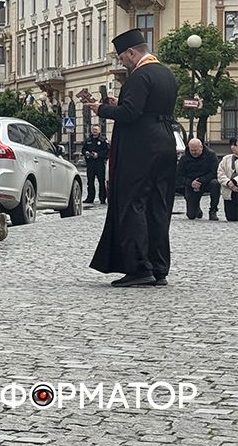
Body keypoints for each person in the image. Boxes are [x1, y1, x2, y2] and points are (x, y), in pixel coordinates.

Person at [85, 28, 178, 287]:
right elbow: (147, 106)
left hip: (141, 146)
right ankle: (159, 267)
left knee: (133, 203)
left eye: (122, 58)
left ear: (131, 52)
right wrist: (121, 103)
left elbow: (131, 114)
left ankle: (139, 267)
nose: (122, 62)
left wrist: (102, 108)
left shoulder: (139, 75)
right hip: (165, 142)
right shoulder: (166, 73)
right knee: (158, 206)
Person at [178, 138, 220, 221]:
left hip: (207, 182)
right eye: (191, 150)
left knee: (215, 184)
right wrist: (190, 183)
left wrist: (201, 180)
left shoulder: (211, 155)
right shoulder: (184, 158)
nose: (193, 152)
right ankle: (196, 208)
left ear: (201, 147)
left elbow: (214, 172)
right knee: (191, 216)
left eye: (195, 150)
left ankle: (213, 210)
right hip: (191, 184)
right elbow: (179, 176)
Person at [82, 124, 108, 204]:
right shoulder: (88, 140)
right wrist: (86, 153)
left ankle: (102, 198)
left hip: (99, 163)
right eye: (93, 130)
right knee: (90, 181)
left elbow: (107, 151)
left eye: (96, 130)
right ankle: (90, 198)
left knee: (101, 181)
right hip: (90, 163)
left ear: (99, 131)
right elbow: (83, 149)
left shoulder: (103, 140)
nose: (94, 131)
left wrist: (98, 155)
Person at [217, 138, 238, 222]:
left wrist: (235, 182)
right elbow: (220, 173)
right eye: (232, 145)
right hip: (229, 191)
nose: (233, 147)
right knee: (231, 217)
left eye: (235, 145)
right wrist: (228, 182)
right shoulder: (226, 159)